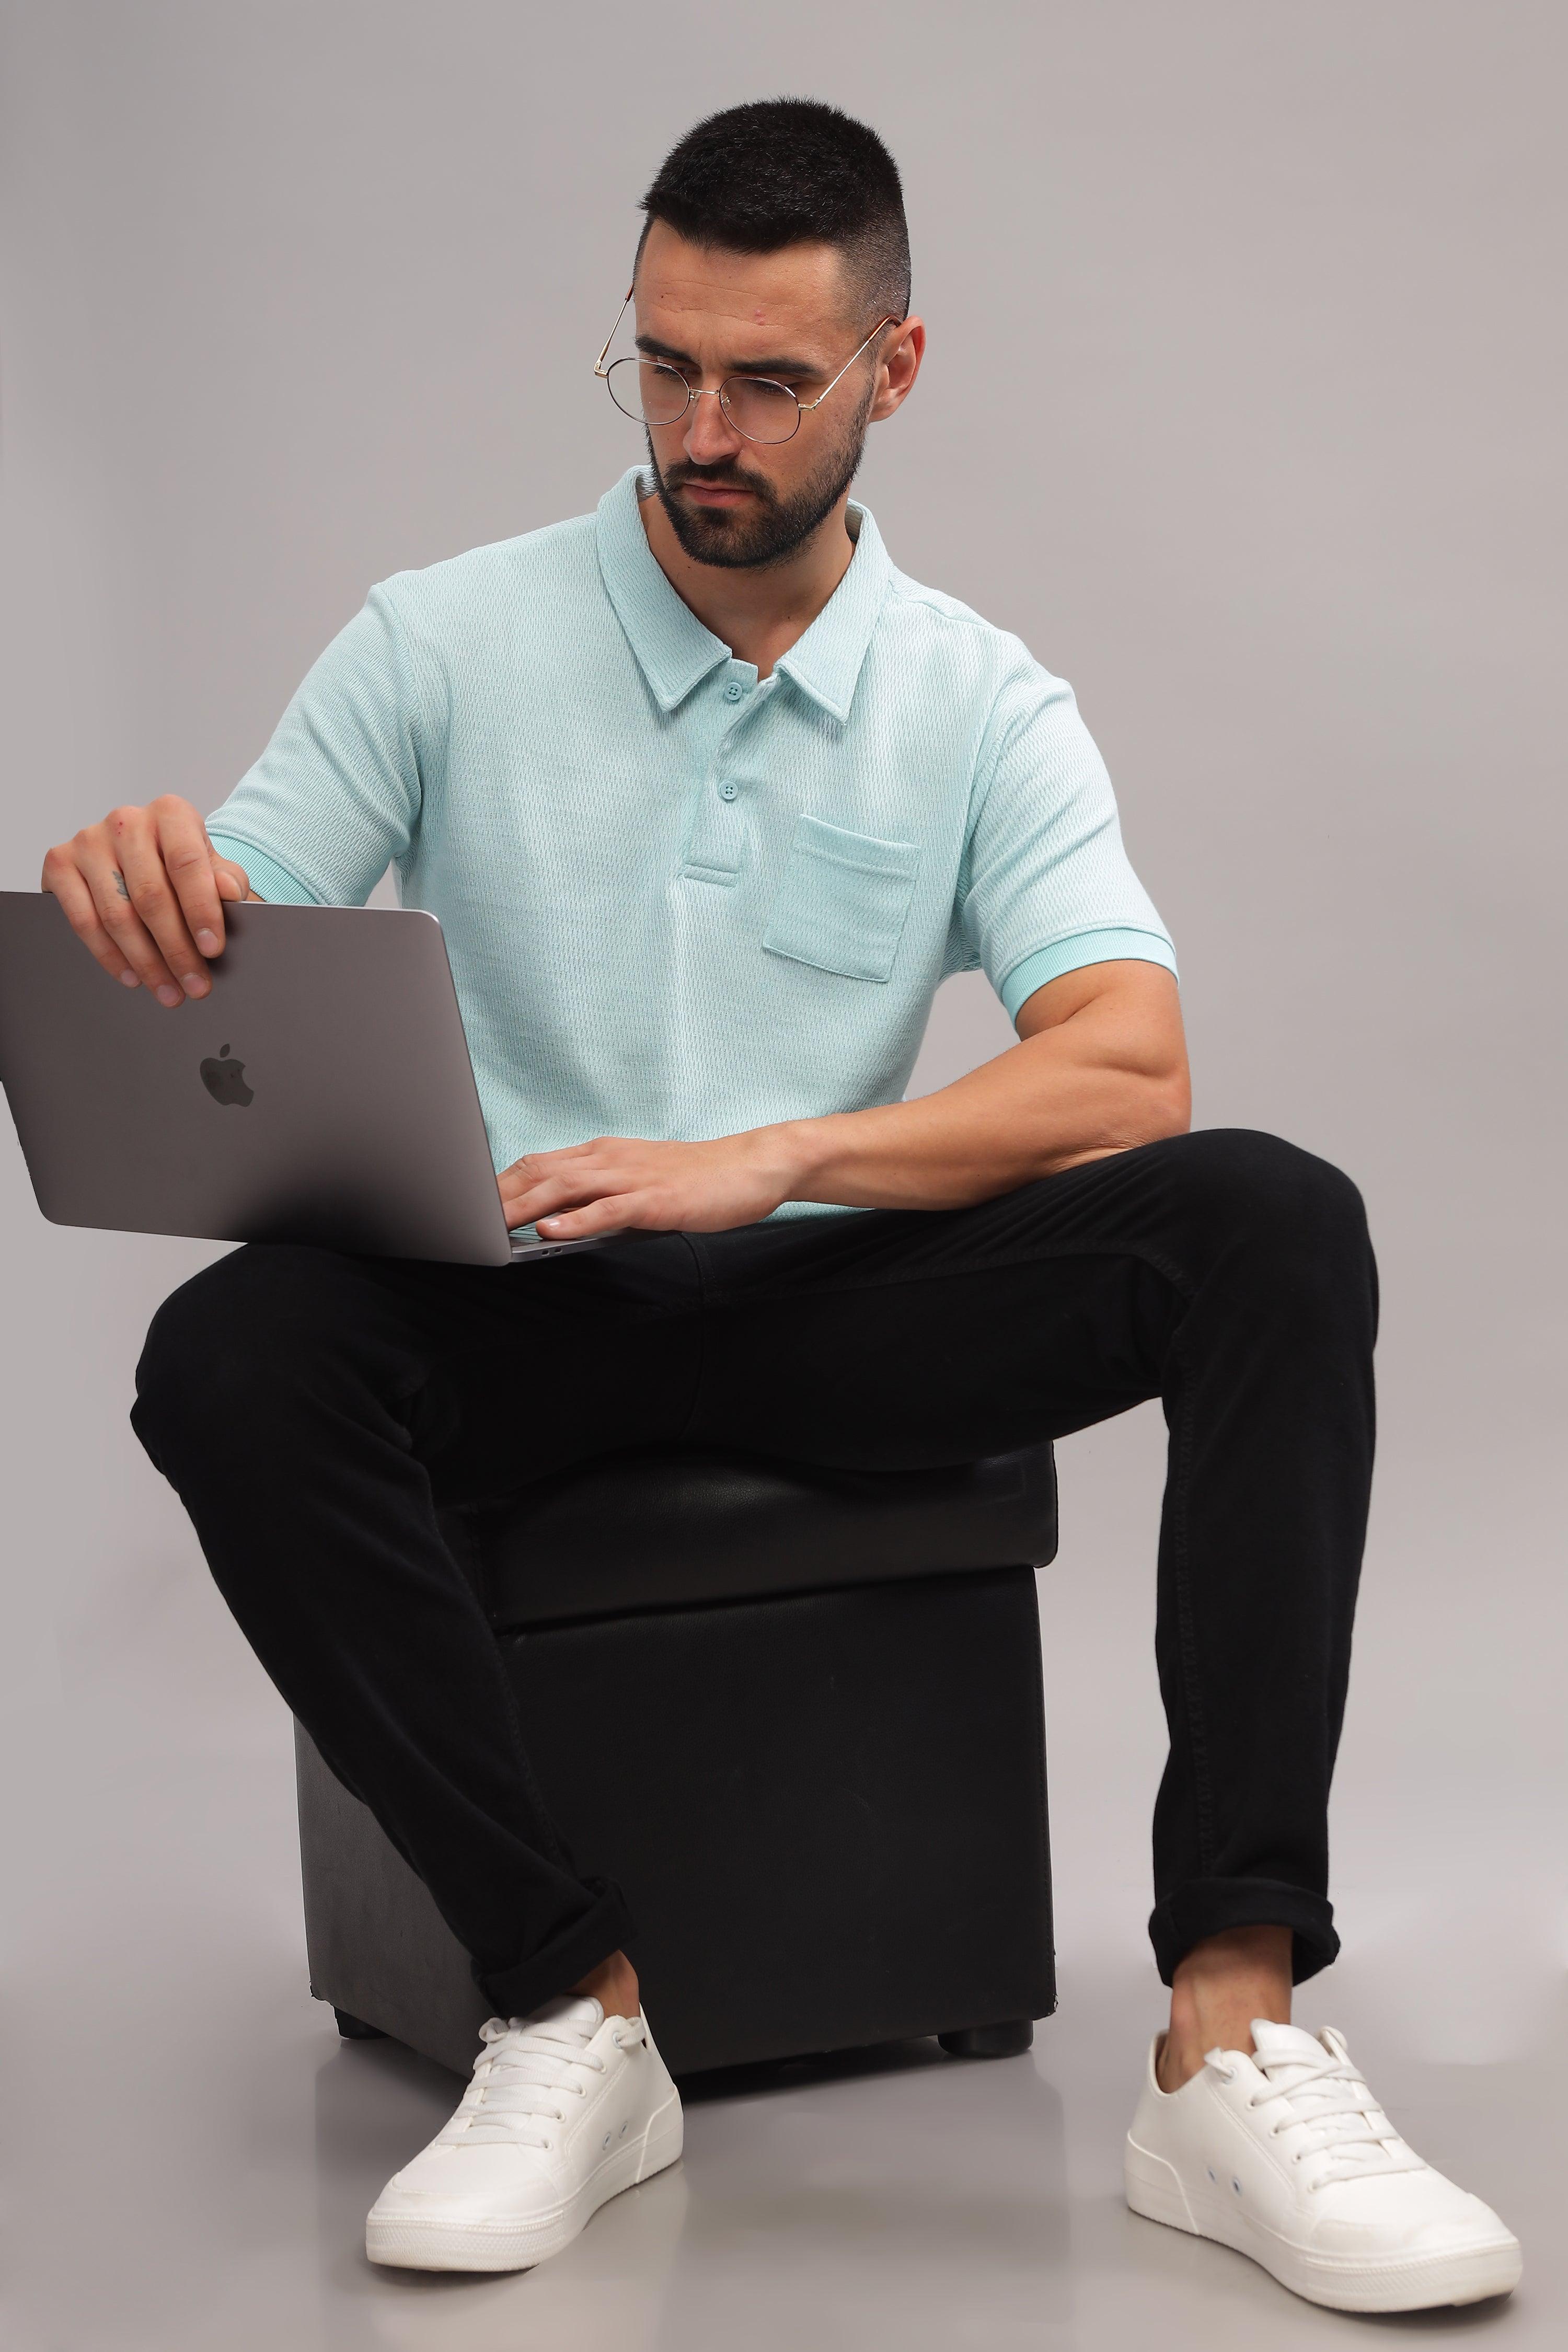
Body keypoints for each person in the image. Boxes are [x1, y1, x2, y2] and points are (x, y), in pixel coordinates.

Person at [42, 98, 1519, 2313]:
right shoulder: (440, 641)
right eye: (661, 364)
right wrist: (145, 896)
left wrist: (779, 1158)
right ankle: (569, 2006)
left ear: (895, 373)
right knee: (228, 1355)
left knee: (1273, 1221)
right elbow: (224, 938)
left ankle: (1232, 2036)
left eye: (767, 381)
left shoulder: (979, 700)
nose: (700, 430)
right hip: (515, 1297)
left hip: (828, 1295)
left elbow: (1132, 1061)